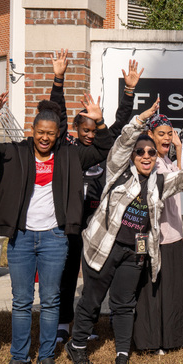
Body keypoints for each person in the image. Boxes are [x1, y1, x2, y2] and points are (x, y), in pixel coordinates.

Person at [65, 98, 183, 364]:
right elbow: (121, 145)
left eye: (151, 152)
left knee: (124, 304)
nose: (146, 155)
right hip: (104, 247)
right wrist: (138, 121)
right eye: (141, 152)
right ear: (134, 156)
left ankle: (122, 355)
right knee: (91, 300)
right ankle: (76, 346)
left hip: (134, 252)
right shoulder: (118, 172)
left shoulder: (160, 181)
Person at [0, 93, 113, 364]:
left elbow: (103, 148)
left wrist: (100, 121)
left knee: (51, 300)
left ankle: (46, 356)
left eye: (50, 133)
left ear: (58, 134)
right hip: (21, 237)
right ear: (32, 132)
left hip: (55, 237)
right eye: (40, 132)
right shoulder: (15, 153)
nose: (45, 138)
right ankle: (19, 358)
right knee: (21, 301)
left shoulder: (71, 155)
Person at [52, 52, 139, 344]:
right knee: (67, 273)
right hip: (74, 223)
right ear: (77, 131)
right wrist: (58, 79)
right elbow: (58, 119)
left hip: (100, 224)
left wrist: (129, 91)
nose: (90, 134)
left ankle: (97, 320)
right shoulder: (70, 151)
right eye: (85, 130)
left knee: (98, 274)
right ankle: (65, 320)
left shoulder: (106, 148)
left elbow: (120, 123)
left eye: (93, 129)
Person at [132, 110, 183, 354]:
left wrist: (178, 150)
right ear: (150, 135)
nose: (167, 138)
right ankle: (152, 340)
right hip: (155, 235)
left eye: (170, 134)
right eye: (161, 134)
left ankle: (171, 336)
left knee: (169, 289)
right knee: (153, 289)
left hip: (172, 233)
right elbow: (176, 182)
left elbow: (179, 177)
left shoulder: (166, 159)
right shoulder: (150, 161)